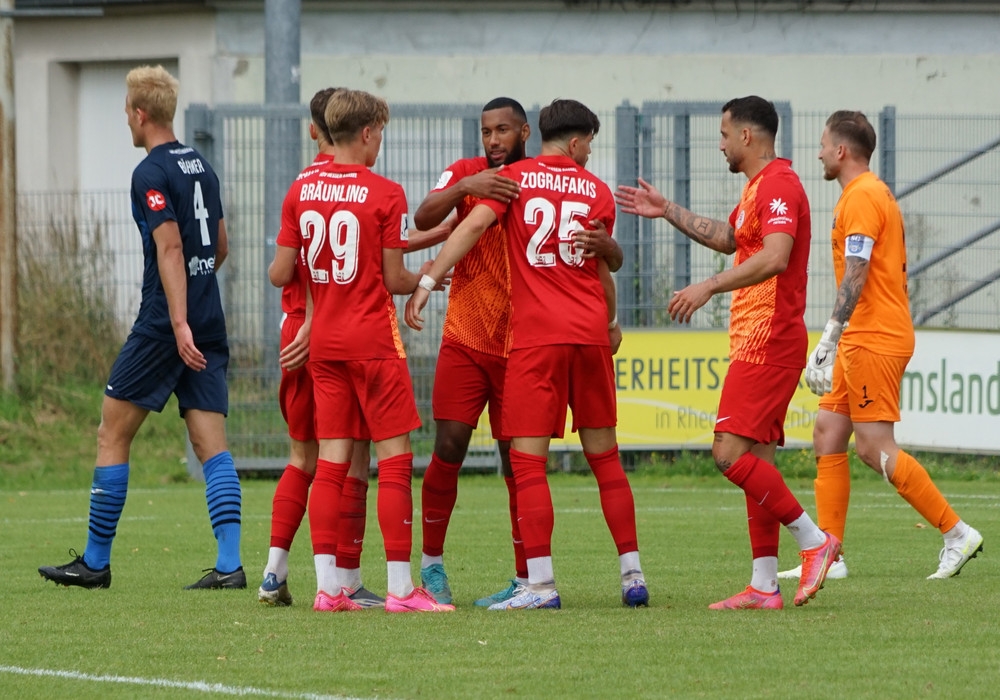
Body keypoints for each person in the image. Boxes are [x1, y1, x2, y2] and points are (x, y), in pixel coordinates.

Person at [407, 98, 647, 611]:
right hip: (477, 334)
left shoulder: (519, 180)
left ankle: (530, 579)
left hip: (524, 342)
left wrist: (426, 281)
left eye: (502, 130)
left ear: (525, 133)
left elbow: (599, 257)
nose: (492, 140)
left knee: (521, 463)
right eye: (485, 131)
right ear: (577, 143)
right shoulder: (484, 175)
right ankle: (433, 565)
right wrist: (466, 187)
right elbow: (424, 215)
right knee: (452, 447)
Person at [616, 96, 839, 610]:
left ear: (746, 135)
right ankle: (764, 586)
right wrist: (667, 209)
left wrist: (708, 286)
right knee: (756, 461)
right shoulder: (758, 187)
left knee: (728, 454)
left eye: (723, 134)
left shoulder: (780, 184)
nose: (719, 144)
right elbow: (730, 238)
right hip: (756, 338)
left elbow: (776, 256)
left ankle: (814, 541)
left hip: (769, 339)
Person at [39, 65, 245, 590]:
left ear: (139, 114)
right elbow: (219, 246)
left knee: (112, 432)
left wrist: (177, 321)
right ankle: (230, 566)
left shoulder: (150, 172)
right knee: (211, 445)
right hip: (208, 316)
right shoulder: (202, 166)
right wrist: (195, 303)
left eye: (126, 113)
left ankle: (94, 563)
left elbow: (170, 247)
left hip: (164, 325)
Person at [777, 110, 983, 582]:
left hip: (874, 337)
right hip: (863, 335)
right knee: (828, 433)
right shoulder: (865, 192)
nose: (819, 153)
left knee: (873, 448)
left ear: (841, 150)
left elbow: (858, 268)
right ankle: (830, 556)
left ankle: (956, 533)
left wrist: (829, 334)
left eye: (823, 145)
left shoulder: (863, 195)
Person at [270, 88, 453, 613]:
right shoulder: (385, 192)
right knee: (395, 458)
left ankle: (328, 589)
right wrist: (426, 277)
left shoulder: (301, 187)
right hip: (372, 341)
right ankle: (401, 590)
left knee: (329, 461)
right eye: (381, 134)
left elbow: (283, 270)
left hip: (322, 343)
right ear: (368, 133)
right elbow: (394, 278)